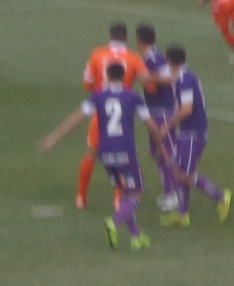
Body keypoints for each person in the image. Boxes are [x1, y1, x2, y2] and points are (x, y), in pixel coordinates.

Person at [41, 61, 165, 250]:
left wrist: (53, 138)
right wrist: (161, 147)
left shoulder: (97, 96)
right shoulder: (132, 97)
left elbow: (76, 119)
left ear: (107, 76)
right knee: (136, 194)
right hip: (125, 152)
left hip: (105, 153)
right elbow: (150, 125)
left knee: (124, 193)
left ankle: (136, 237)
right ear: (124, 77)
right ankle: (113, 223)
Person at [155, 46, 232, 226]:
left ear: (169, 61)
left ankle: (221, 197)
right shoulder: (185, 76)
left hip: (193, 132)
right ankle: (182, 215)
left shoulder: (184, 79)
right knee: (177, 170)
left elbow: (186, 109)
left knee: (183, 174)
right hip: (187, 132)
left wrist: (167, 126)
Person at [76, 23, 146, 210]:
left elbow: (87, 84)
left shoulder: (97, 54)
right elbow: (149, 84)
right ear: (126, 38)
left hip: (101, 111)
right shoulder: (134, 58)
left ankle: (81, 197)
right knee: (122, 157)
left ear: (110, 36)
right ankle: (118, 199)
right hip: (123, 115)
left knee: (91, 151)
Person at [134, 23, 179, 205]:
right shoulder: (149, 57)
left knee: (166, 152)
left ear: (139, 41)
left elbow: (171, 80)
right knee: (157, 152)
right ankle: (169, 191)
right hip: (155, 110)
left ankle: (174, 194)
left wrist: (149, 77)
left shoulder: (154, 58)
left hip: (164, 110)